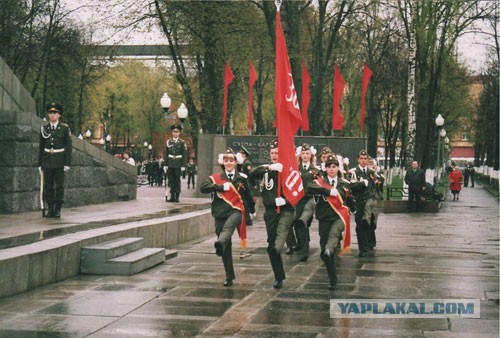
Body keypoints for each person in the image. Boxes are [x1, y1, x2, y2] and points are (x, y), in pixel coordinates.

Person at [200, 148, 255, 287]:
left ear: (236, 162)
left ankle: (220, 242)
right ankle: (229, 276)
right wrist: (219, 187)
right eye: (226, 160)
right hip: (220, 214)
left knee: (229, 228)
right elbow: (203, 187)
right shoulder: (215, 178)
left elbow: (248, 196)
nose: (229, 163)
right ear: (222, 163)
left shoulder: (242, 178)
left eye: (231, 160)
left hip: (236, 211)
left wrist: (252, 210)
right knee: (226, 247)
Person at [249, 140, 295, 289]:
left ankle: (281, 247)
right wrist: (269, 167)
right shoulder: (267, 169)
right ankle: (279, 276)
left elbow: (298, 192)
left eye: (277, 153)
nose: (275, 155)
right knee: (271, 246)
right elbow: (251, 174)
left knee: (277, 244)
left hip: (285, 211)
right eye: (272, 153)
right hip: (270, 212)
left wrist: (286, 201)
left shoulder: (289, 169)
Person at [307, 155, 352, 290]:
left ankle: (329, 249)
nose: (332, 169)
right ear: (325, 169)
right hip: (324, 218)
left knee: (333, 237)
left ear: (338, 168)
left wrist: (353, 208)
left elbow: (351, 197)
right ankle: (332, 277)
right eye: (329, 167)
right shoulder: (320, 182)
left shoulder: (344, 183)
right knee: (325, 252)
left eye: (334, 167)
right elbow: (309, 188)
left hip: (339, 218)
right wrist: (328, 191)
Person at [38, 102, 72, 218]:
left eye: (55, 113)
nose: (52, 115)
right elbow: (41, 147)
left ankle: (57, 209)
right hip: (47, 160)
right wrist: (39, 163)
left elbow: (68, 147)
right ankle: (50, 209)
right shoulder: (44, 128)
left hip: (59, 161)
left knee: (59, 186)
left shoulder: (64, 129)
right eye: (50, 113)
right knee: (48, 187)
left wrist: (67, 163)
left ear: (59, 115)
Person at [349, 150, 381, 258]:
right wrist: (362, 184)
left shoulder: (371, 172)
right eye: (361, 158)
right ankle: (362, 248)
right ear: (358, 160)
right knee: (360, 225)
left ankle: (368, 245)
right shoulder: (354, 172)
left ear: (368, 160)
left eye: (365, 158)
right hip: (359, 202)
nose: (363, 161)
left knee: (369, 224)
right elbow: (352, 186)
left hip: (370, 201)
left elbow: (378, 184)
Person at [163, 124, 187, 202]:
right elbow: (166, 154)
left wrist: (183, 165)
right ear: (172, 133)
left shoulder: (182, 142)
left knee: (177, 180)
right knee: (171, 180)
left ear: (179, 133)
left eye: (177, 132)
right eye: (174, 132)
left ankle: (177, 196)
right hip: (170, 163)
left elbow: (184, 155)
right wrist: (165, 164)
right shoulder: (168, 142)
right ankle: (172, 196)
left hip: (178, 163)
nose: (175, 133)